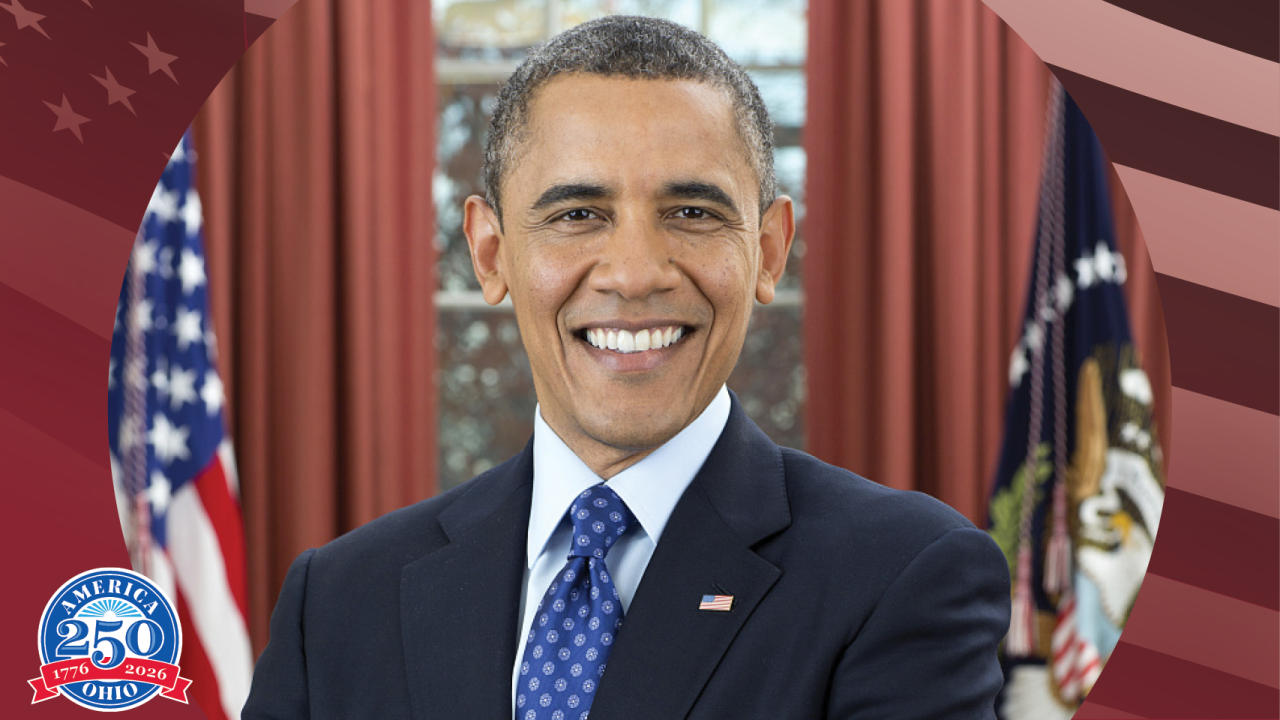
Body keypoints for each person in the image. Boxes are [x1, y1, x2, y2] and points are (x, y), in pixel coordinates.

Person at [242, 15, 1010, 720]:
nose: (636, 273)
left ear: (770, 251)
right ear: (491, 253)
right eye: (578, 214)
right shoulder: (338, 600)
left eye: (692, 213)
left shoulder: (903, 576)